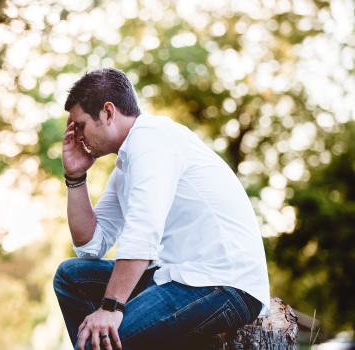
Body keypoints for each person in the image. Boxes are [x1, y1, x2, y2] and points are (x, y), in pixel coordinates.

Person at [53, 68, 270, 350]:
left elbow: (143, 232)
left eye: (80, 125)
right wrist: (75, 177)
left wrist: (110, 308)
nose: (77, 136)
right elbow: (91, 245)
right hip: (176, 276)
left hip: (223, 284)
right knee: (72, 276)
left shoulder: (152, 139)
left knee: (101, 344)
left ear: (108, 113)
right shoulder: (126, 165)